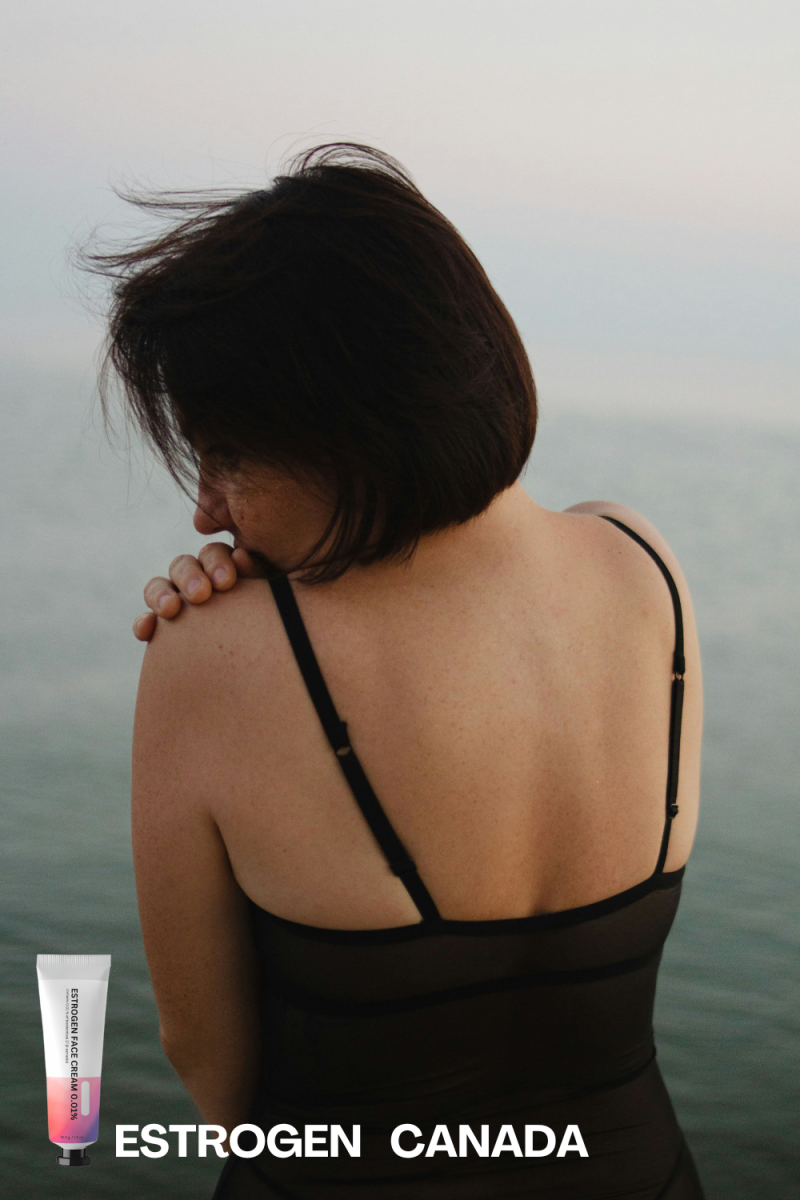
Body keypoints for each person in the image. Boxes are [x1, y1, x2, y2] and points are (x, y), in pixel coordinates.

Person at [98, 144, 704, 1197]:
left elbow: (207, 1061)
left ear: (344, 428)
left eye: (226, 455)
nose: (205, 510)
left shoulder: (220, 654)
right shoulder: (642, 567)